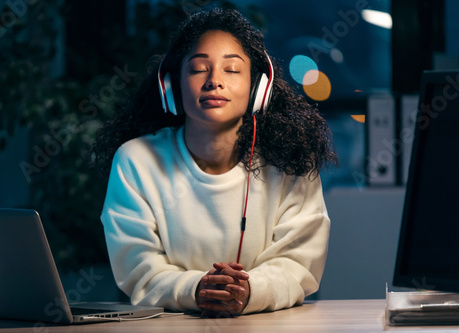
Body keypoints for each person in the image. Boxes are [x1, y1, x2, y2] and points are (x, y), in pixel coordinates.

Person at [94, 8, 337, 316]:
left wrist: (249, 292)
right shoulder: (137, 161)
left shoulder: (291, 161)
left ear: (258, 89)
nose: (214, 81)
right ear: (171, 86)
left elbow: (298, 265)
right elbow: (138, 268)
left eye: (232, 70)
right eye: (198, 69)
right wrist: (198, 289)